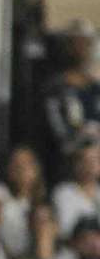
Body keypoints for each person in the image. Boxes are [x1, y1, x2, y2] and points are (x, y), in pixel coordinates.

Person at [43, 18, 100, 175]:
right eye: (76, 43)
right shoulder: (57, 87)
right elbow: (56, 127)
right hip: (70, 161)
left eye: (85, 43)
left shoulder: (96, 85)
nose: (81, 49)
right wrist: (77, 140)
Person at [0, 144, 45, 258]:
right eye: (16, 164)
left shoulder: (44, 205)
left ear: (36, 169)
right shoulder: (0, 198)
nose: (21, 168)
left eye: (27, 164)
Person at [52, 140, 100, 239]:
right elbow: (65, 230)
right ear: (75, 164)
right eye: (84, 161)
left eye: (94, 160)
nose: (89, 166)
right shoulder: (63, 193)